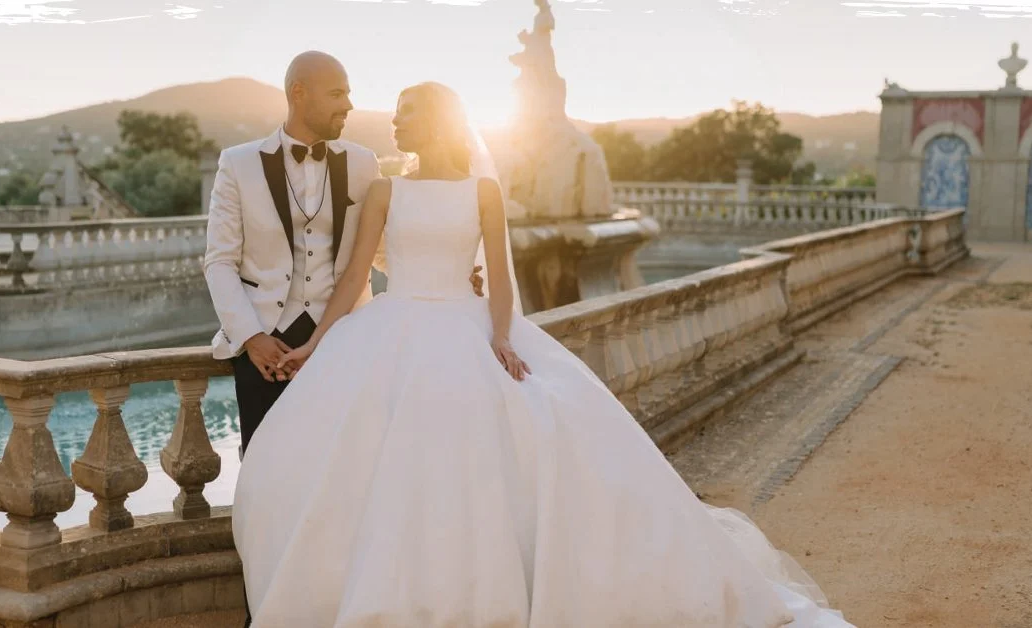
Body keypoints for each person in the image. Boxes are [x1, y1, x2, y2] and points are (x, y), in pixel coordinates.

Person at [231, 81, 856, 627]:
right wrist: (315, 343)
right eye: (394, 109)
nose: (395, 119)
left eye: (409, 108)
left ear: (442, 119)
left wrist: (500, 337)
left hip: (466, 325)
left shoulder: (483, 191)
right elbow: (352, 277)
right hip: (392, 327)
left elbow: (500, 278)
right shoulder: (386, 193)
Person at [202, 51, 481, 627]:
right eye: (338, 95)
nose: (350, 106)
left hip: (348, 345)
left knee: (346, 485)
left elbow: (378, 249)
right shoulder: (237, 164)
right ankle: (270, 611)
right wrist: (253, 339)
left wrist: (452, 270)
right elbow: (220, 263)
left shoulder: (362, 164)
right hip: (266, 351)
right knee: (267, 485)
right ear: (299, 92)